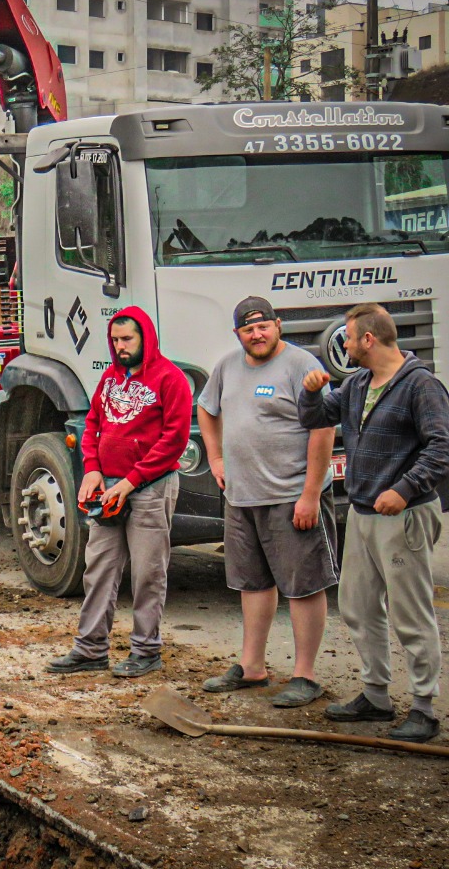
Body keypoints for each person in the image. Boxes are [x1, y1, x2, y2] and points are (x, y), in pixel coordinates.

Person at [299, 303, 449, 742]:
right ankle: (376, 696)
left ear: (368, 339)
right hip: (365, 513)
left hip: (403, 516)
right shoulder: (358, 382)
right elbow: (313, 418)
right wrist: (310, 391)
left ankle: (424, 707)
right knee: (359, 608)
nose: (343, 345)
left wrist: (404, 489)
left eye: (348, 337)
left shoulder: (421, 386)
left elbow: (442, 447)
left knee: (410, 611)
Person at [197, 297, 338, 707]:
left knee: (303, 586)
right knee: (252, 583)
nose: (256, 335)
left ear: (278, 325)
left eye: (263, 327)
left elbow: (323, 430)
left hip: (291, 495)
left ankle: (305, 676)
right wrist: (216, 456)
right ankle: (253, 667)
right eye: (247, 329)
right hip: (242, 497)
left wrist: (310, 494)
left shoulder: (301, 365)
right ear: (237, 333)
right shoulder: (227, 366)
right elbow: (207, 410)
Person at [47, 308, 192, 678]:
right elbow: (93, 422)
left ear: (145, 336)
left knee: (148, 572)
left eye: (127, 339)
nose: (121, 346)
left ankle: (146, 650)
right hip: (108, 486)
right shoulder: (111, 377)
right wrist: (92, 468)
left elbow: (174, 440)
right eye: (115, 340)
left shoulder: (171, 379)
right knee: (98, 569)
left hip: (150, 488)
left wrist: (131, 481)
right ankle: (90, 648)